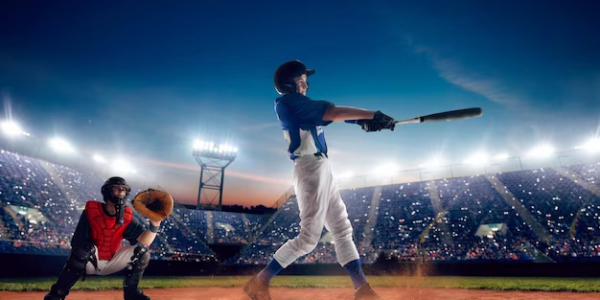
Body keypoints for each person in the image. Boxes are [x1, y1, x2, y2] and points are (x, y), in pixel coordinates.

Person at [243, 60, 395, 300]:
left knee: (342, 229)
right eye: (301, 80)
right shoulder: (288, 102)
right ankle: (259, 281)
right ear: (288, 84)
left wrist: (363, 121)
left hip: (321, 167)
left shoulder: (299, 104)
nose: (306, 85)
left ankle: (362, 289)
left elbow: (331, 115)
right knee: (308, 239)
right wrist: (372, 115)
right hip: (309, 168)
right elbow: (330, 112)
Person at [44, 176, 161, 300]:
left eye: (123, 189)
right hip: (90, 261)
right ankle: (57, 294)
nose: (121, 191)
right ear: (107, 191)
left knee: (142, 253)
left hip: (112, 260)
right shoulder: (92, 211)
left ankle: (132, 294)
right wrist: (87, 251)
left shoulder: (127, 216)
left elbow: (145, 241)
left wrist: (155, 224)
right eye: (117, 188)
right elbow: (77, 243)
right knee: (82, 250)